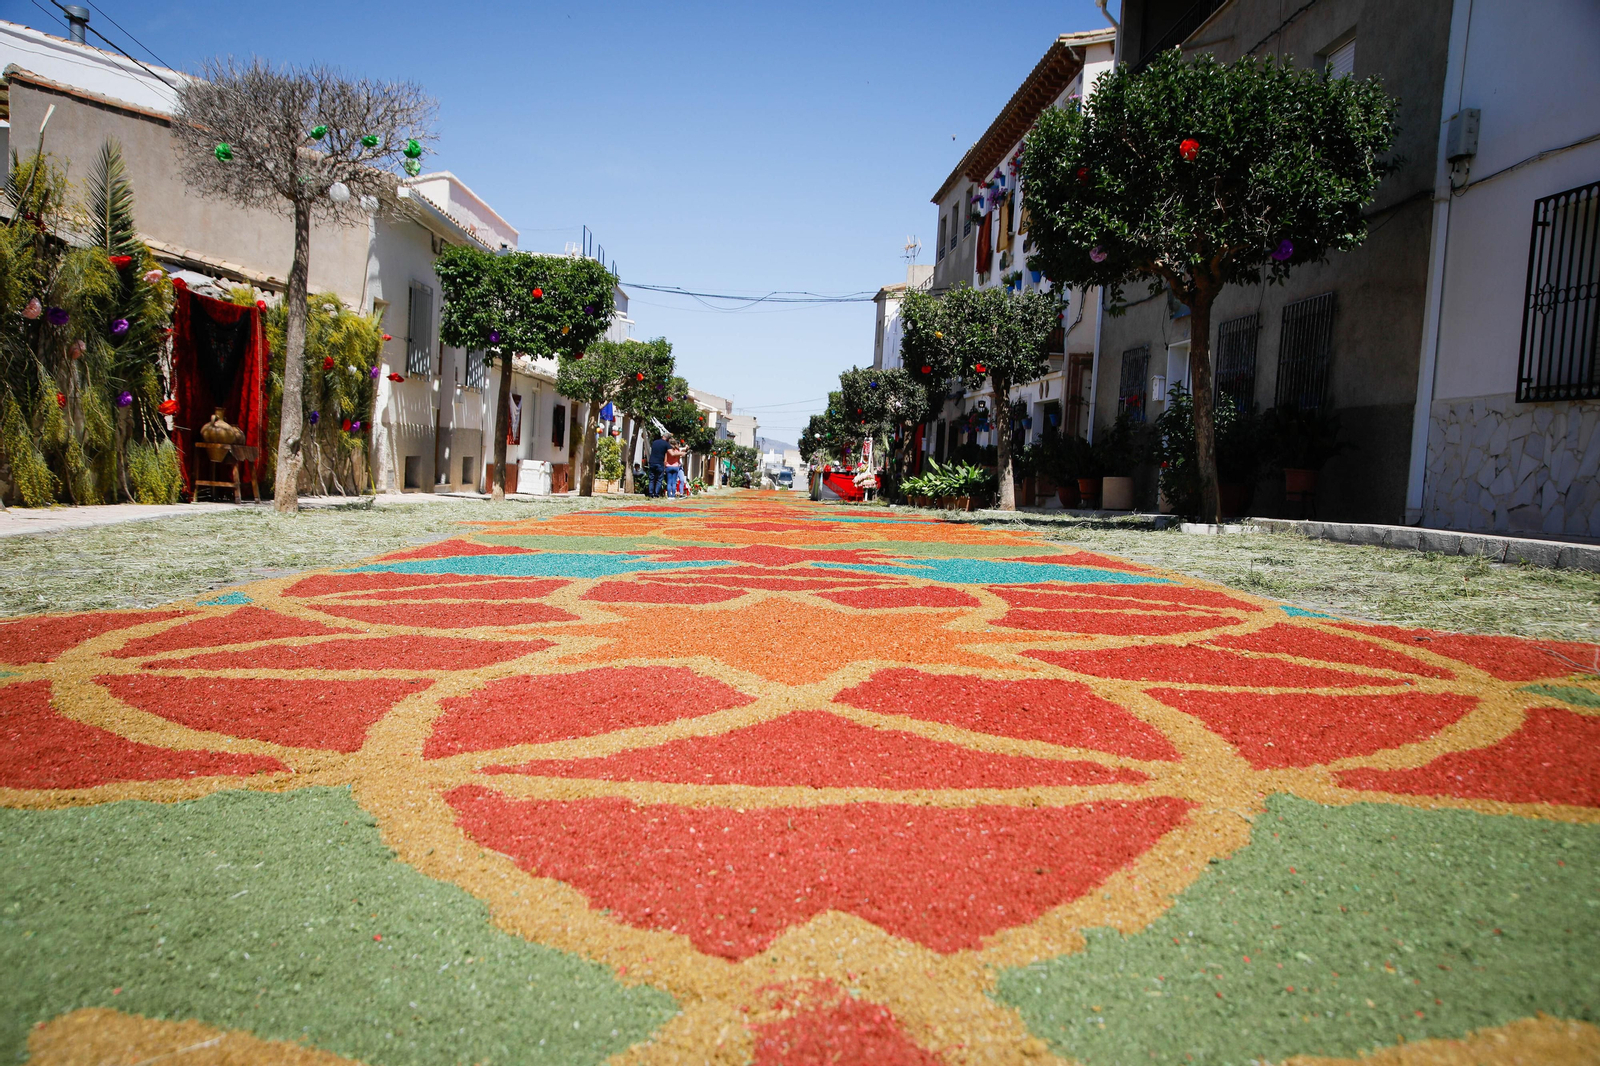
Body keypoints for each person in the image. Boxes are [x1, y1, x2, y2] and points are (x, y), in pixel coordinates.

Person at [647, 433, 670, 498]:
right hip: (660, 463)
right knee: (659, 479)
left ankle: (651, 493)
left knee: (651, 479)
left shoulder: (655, 442)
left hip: (652, 462)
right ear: (667, 439)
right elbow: (670, 452)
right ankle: (656, 494)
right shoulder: (666, 444)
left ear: (662, 436)